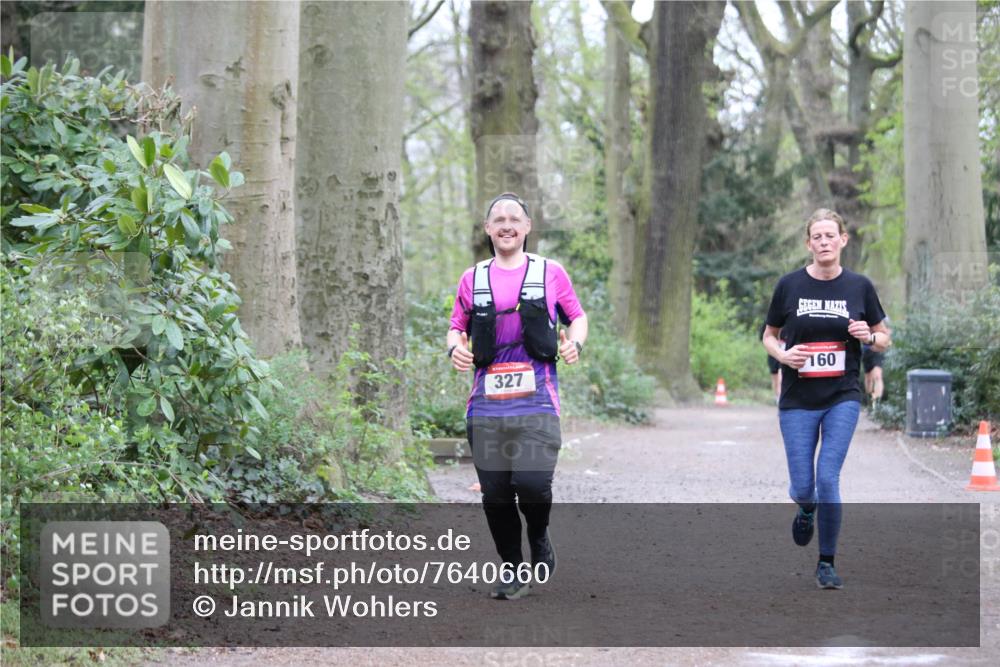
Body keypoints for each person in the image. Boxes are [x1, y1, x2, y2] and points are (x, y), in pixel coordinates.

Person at [447, 192, 588, 600]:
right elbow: (456, 326)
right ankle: (512, 566)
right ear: (488, 229)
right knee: (495, 494)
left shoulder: (550, 272)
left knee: (532, 484)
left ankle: (539, 535)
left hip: (538, 400)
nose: (506, 224)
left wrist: (575, 343)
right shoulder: (472, 278)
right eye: (498, 219)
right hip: (486, 405)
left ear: (527, 227)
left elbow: (576, 316)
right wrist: (454, 346)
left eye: (514, 218)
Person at [762, 208, 891, 590]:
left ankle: (826, 562)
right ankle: (805, 507)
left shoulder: (859, 287)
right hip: (798, 397)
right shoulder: (789, 285)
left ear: (842, 240)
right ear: (808, 243)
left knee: (828, 477)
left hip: (842, 395)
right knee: (804, 485)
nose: (823, 242)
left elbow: (884, 336)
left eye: (829, 236)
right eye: (816, 237)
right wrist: (782, 355)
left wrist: (868, 336)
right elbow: (769, 334)